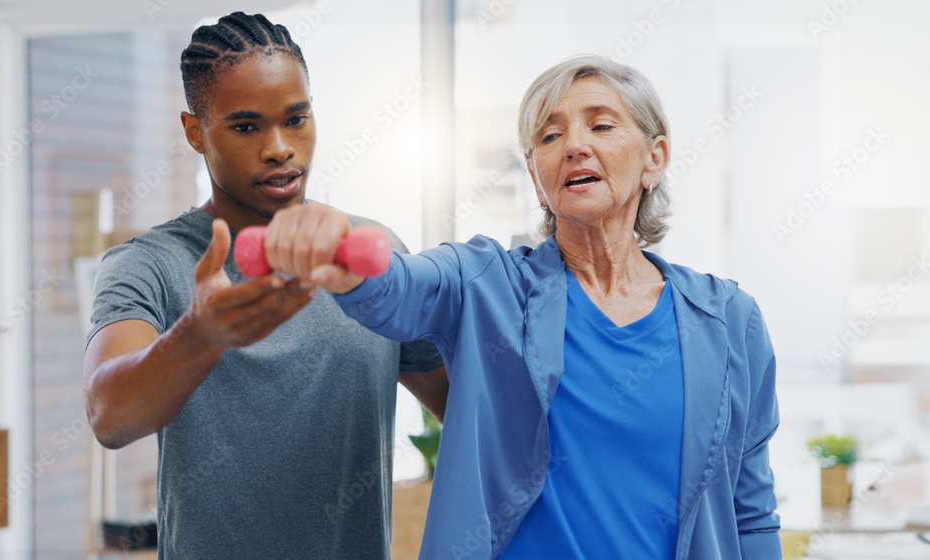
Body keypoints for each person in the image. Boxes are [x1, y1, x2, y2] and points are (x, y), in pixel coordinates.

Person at [263, 55, 782, 558]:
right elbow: (400, 287)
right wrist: (345, 256)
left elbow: (750, 513)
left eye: (601, 125)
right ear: (537, 179)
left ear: (655, 159)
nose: (574, 146)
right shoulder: (487, 283)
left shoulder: (730, 321)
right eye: (550, 137)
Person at [82, 12, 447, 559]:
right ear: (194, 130)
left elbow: (466, 408)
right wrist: (200, 337)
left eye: (296, 119)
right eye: (247, 126)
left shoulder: (373, 251)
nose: (280, 147)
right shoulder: (149, 264)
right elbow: (109, 415)